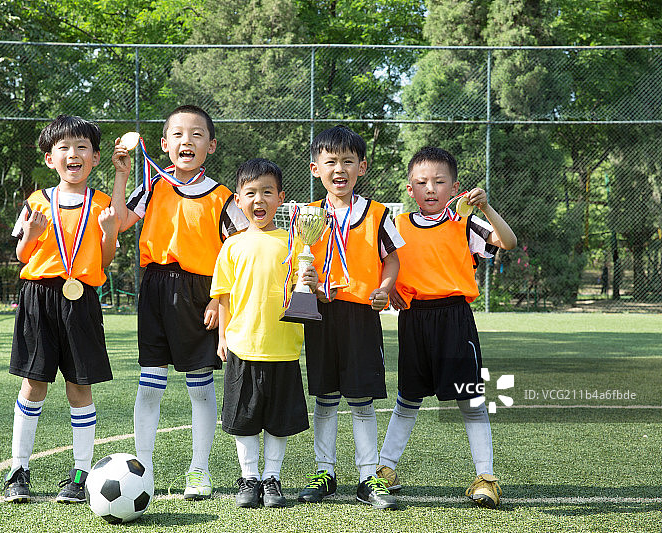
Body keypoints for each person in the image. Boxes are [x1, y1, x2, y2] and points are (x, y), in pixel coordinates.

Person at [111, 105, 248, 499]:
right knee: (149, 385)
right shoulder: (153, 186)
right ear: (164, 144)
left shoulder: (223, 197)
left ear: (211, 146)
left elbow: (239, 251)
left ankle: (199, 470)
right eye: (178, 134)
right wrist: (121, 176)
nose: (187, 141)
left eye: (197, 134)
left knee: (200, 387)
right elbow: (118, 222)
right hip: (155, 288)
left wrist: (219, 299)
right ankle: (143, 471)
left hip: (200, 294)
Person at [377, 146, 517, 509]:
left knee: (470, 400)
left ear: (454, 188)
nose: (430, 188)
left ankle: (486, 477)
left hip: (455, 320)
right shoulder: (397, 225)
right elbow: (383, 265)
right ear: (410, 188)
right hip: (413, 320)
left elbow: (507, 241)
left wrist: (486, 207)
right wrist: (389, 288)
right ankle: (385, 469)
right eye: (422, 182)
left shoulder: (464, 223)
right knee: (407, 398)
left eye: (439, 182)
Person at [4, 114, 120, 504]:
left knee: (79, 386)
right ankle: (18, 469)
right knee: (33, 384)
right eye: (64, 147)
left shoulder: (102, 204)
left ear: (95, 158)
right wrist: (32, 234)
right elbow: (22, 255)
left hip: (81, 299)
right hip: (38, 297)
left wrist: (108, 232)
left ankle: (80, 473)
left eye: (82, 147)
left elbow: (105, 260)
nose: (73, 154)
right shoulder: (35, 202)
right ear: (50, 158)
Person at [298, 125, 404, 510]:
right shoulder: (306, 215)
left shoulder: (377, 214)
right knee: (325, 396)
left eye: (348, 161)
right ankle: (324, 472)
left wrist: (384, 289)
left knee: (361, 398)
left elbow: (391, 258)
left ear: (362, 167)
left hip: (361, 315)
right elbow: (296, 261)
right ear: (316, 169)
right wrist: (305, 279)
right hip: (320, 313)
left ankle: (367, 478)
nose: (339, 169)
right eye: (331, 162)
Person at [211, 158, 317, 508]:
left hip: (283, 346)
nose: (259, 200)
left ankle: (272, 478)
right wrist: (223, 337)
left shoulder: (295, 244)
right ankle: (249, 477)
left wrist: (310, 280)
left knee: (277, 420)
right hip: (244, 345)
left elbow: (305, 292)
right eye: (251, 193)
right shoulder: (232, 246)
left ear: (281, 198)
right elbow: (224, 296)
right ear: (238, 200)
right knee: (244, 419)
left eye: (267, 192)